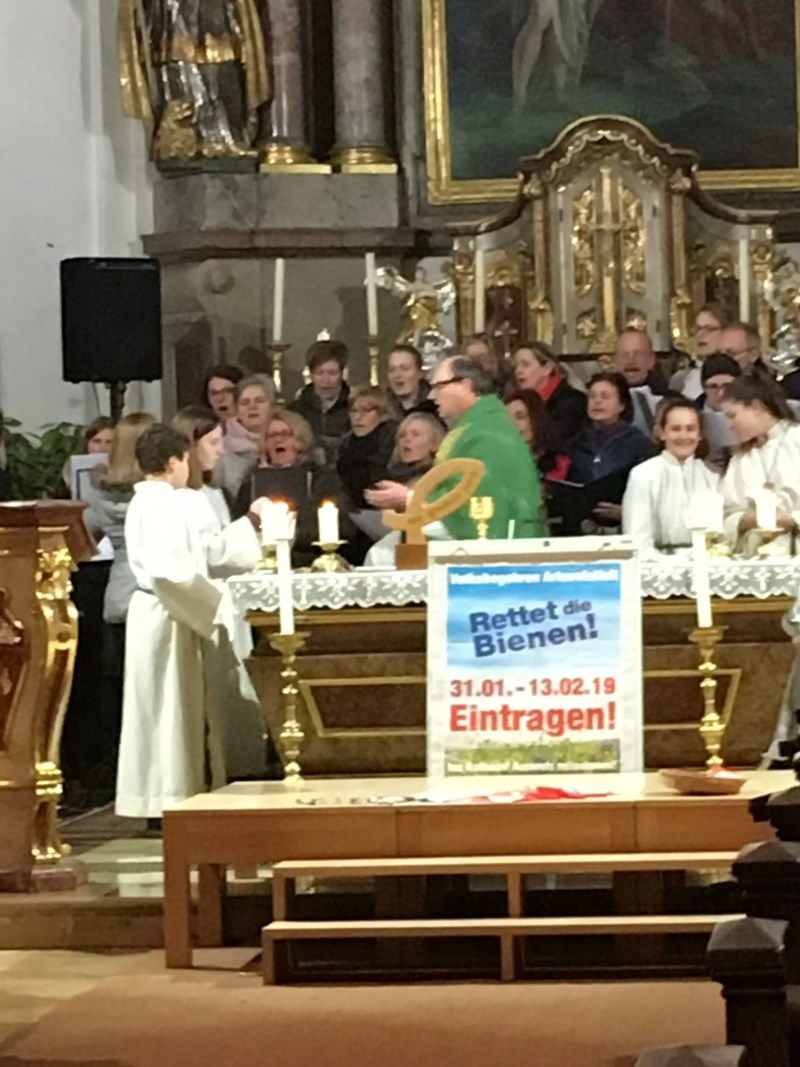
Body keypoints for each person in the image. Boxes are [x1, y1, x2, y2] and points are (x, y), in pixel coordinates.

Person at [116, 424, 265, 819]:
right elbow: (171, 573)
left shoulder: (152, 501)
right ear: (173, 461)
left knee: (169, 709)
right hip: (169, 613)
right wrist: (215, 604)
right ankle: (168, 797)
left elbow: (206, 554)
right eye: (185, 459)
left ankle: (174, 794)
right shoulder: (162, 504)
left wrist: (248, 528)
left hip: (167, 610)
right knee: (168, 711)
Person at [63, 412, 156, 808]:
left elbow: (78, 545)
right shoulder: (157, 494)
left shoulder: (102, 495)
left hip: (117, 598)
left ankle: (123, 777)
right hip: (152, 596)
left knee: (119, 694)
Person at [173, 405, 266, 778]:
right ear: (190, 446)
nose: (220, 450)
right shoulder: (183, 498)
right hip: (205, 604)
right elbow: (210, 554)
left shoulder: (210, 492)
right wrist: (252, 522)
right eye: (212, 442)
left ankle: (239, 766)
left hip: (227, 601)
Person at [366, 356, 546, 539]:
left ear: (465, 385)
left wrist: (409, 498)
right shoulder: (477, 427)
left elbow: (474, 506)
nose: (432, 395)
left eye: (439, 386)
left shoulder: (487, 435)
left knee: (386, 550)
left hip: (502, 546)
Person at [234, 407, 354, 567]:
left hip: (310, 560)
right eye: (272, 435)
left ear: (300, 441)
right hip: (263, 563)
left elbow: (344, 525)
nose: (278, 440)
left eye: (285, 434)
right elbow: (240, 525)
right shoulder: (251, 482)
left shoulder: (322, 478)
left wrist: (291, 531)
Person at [622, 399, 720, 554]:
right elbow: (637, 537)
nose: (683, 436)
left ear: (700, 435)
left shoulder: (712, 475)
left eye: (690, 429)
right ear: (662, 433)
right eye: (675, 429)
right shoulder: (643, 474)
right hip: (657, 562)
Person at [720, 375, 800, 557]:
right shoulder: (740, 458)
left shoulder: (796, 441)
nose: (729, 425)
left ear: (756, 407)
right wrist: (745, 520)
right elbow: (725, 513)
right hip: (753, 557)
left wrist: (791, 520)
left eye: (732, 416)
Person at [563, 371, 654, 530]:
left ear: (622, 405)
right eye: (592, 396)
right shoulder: (574, 444)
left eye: (605, 396)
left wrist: (625, 512)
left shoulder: (639, 444)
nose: (597, 401)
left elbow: (650, 492)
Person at [362, 413, 447, 567]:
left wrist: (408, 499)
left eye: (415, 435)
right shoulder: (393, 478)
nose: (407, 440)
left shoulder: (443, 477)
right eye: (402, 435)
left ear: (434, 444)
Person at [509, 341, 586, 445]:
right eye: (515, 366)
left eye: (526, 365)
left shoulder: (572, 403)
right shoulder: (516, 402)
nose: (518, 371)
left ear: (547, 369)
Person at [289, 340, 351, 467]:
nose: (325, 380)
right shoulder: (296, 411)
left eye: (332, 373)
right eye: (319, 373)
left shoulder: (354, 407)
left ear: (342, 373)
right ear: (311, 374)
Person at [336, 386, 397, 513]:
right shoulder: (345, 445)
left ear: (383, 414)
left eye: (367, 411)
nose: (358, 417)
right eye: (353, 411)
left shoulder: (395, 442)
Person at [217, 374, 274, 500]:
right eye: (244, 402)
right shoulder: (221, 449)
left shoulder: (287, 440)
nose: (252, 407)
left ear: (272, 406)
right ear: (236, 409)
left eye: (259, 401)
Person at [612, 329, 677, 435]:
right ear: (614, 361)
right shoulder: (600, 402)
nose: (630, 361)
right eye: (624, 355)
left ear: (652, 360)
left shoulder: (674, 401)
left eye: (638, 354)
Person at [504, 389, 569, 481]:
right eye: (506, 418)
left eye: (520, 417)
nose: (512, 423)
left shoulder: (558, 464)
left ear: (537, 421)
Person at [671, 303, 731, 398]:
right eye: (698, 328)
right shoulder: (682, 379)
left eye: (709, 329)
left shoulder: (738, 377)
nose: (701, 334)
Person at [386, 344, 437, 420]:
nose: (397, 375)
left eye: (405, 368)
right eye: (391, 369)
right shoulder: (381, 412)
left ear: (420, 373)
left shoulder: (439, 407)